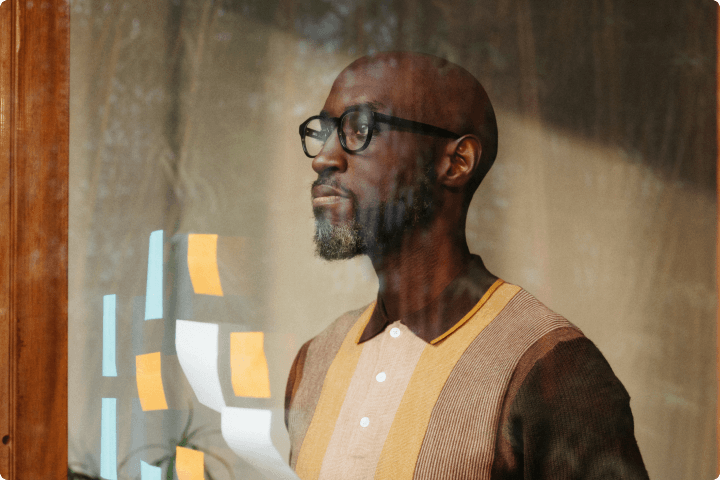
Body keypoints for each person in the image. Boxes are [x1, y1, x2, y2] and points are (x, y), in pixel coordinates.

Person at [284, 52, 649, 479]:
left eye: (360, 128)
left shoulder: (552, 367)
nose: (323, 158)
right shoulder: (315, 361)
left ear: (456, 162)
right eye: (324, 131)